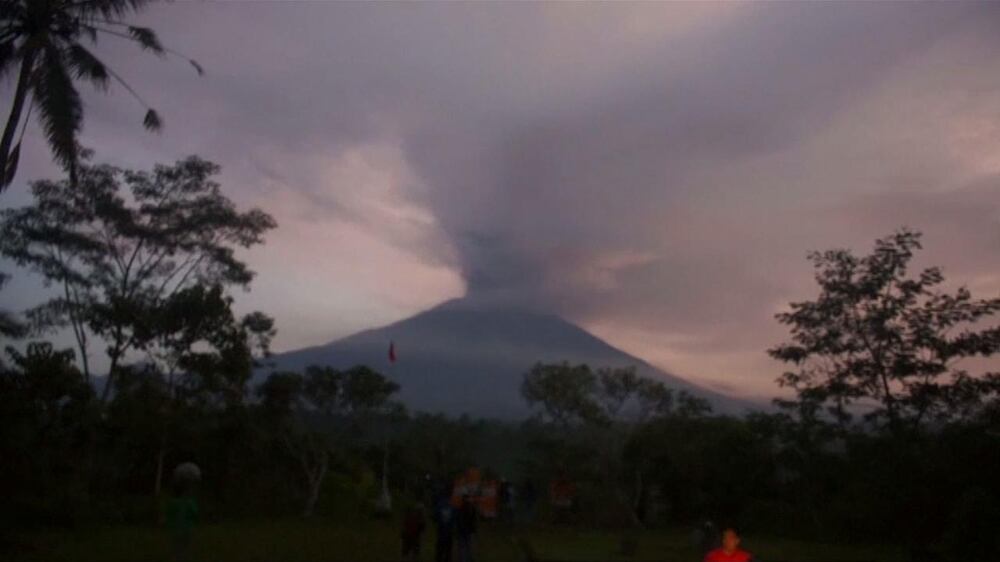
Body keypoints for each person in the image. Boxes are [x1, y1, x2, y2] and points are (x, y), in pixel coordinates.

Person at [165, 478, 199, 562]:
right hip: (187, 529)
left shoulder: (172, 502)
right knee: (185, 549)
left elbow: (169, 515)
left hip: (175, 529)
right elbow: (195, 514)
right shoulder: (189, 502)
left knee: (176, 549)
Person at [455, 495, 478, 562]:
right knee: (468, 547)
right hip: (468, 531)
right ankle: (468, 558)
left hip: (464, 531)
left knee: (463, 547)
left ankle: (465, 559)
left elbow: (459, 520)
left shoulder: (461, 509)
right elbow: (474, 520)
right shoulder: (471, 509)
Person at [434, 493, 455, 562]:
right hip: (448, 531)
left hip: (442, 530)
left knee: (440, 549)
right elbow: (454, 518)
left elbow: (436, 517)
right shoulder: (452, 506)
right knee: (448, 550)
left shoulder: (440, 505)